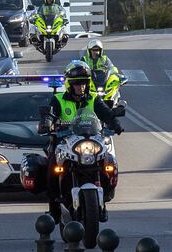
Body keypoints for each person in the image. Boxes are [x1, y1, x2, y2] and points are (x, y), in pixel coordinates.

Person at [37, 60, 124, 224]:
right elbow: (50, 114)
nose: (81, 87)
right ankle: (54, 209)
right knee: (51, 169)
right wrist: (47, 122)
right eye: (77, 84)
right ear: (70, 84)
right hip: (63, 142)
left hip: (89, 141)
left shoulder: (93, 99)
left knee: (109, 162)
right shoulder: (58, 99)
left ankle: (105, 195)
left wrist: (114, 122)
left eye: (84, 83)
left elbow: (105, 112)